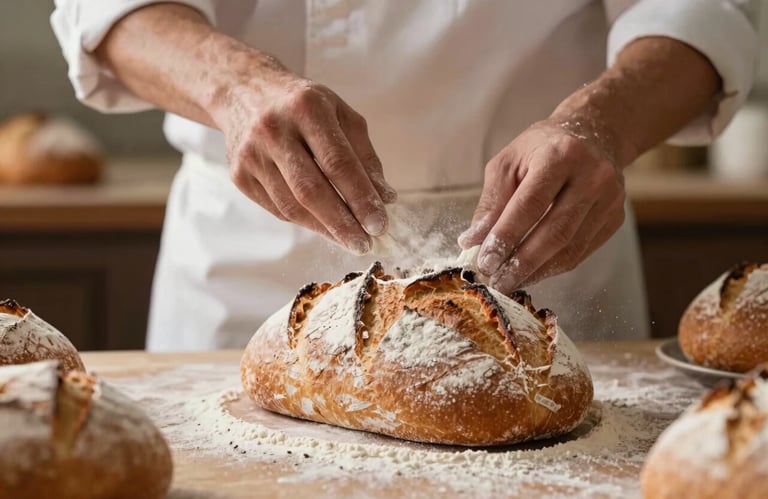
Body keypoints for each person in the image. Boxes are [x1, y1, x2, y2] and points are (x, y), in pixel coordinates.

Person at [52, 1, 757, 351]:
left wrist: (602, 123)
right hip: (252, 260)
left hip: (544, 243)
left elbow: (702, 11)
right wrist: (235, 88)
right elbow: (105, 8)